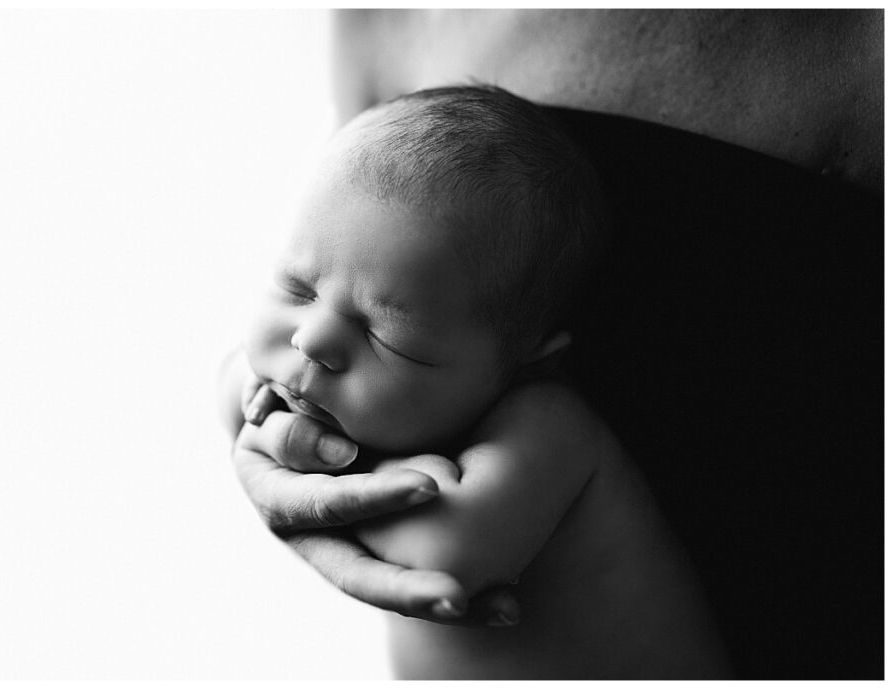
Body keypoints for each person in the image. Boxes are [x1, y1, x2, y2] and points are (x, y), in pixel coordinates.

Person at [219, 85, 730, 678]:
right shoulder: (396, 400)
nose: (310, 340)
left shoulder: (548, 426)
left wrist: (329, 462)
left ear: (527, 361)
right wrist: (251, 399)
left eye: (389, 338)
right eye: (296, 289)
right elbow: (235, 399)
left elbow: (443, 556)